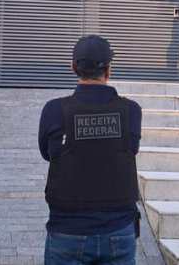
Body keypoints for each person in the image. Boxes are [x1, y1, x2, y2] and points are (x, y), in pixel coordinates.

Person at [38, 35, 143, 265]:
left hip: (67, 231)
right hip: (119, 230)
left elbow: (47, 153)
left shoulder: (54, 110)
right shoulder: (131, 111)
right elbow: (130, 150)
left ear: (73, 67)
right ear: (109, 70)